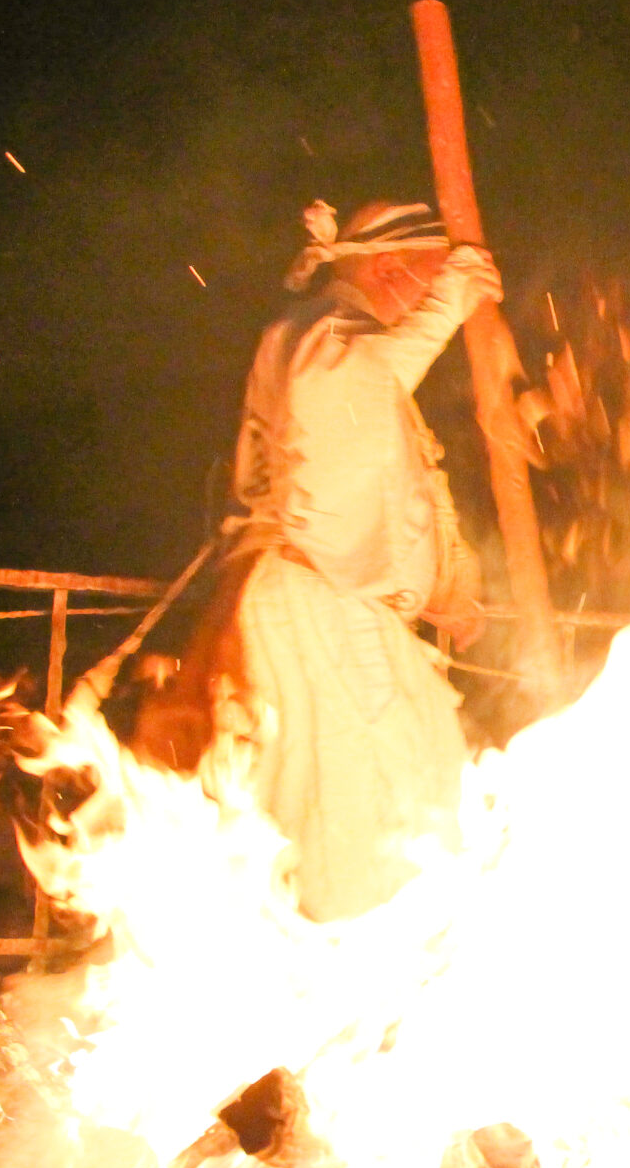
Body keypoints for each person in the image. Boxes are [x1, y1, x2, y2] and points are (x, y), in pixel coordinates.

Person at [170, 200, 501, 922]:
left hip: (328, 605)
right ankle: (358, 1005)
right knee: (369, 822)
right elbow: (350, 405)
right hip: (321, 609)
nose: (426, 293)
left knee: (397, 798)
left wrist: (448, 585)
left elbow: (378, 489)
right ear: (387, 268)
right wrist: (451, 304)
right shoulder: (321, 337)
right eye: (423, 276)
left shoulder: (325, 342)